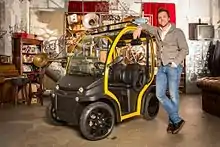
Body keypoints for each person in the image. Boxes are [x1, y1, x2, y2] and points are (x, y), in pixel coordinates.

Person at [133, 8, 189, 134]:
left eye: (164, 17)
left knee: (174, 95)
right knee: (160, 94)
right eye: (159, 17)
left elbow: (185, 49)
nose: (161, 19)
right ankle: (177, 120)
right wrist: (139, 28)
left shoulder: (177, 32)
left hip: (173, 67)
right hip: (161, 67)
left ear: (169, 18)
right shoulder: (157, 31)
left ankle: (172, 123)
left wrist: (175, 63)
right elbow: (146, 25)